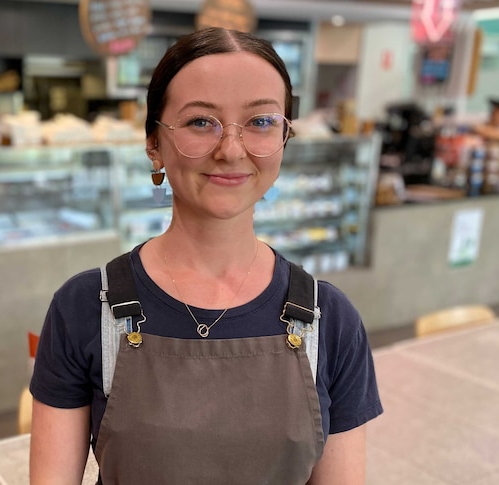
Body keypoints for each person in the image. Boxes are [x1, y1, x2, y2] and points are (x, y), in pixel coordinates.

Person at [29, 27, 382, 484]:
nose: (232, 150)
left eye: (260, 122)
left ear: (284, 140)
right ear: (153, 143)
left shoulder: (329, 320)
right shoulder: (84, 308)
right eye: (200, 122)